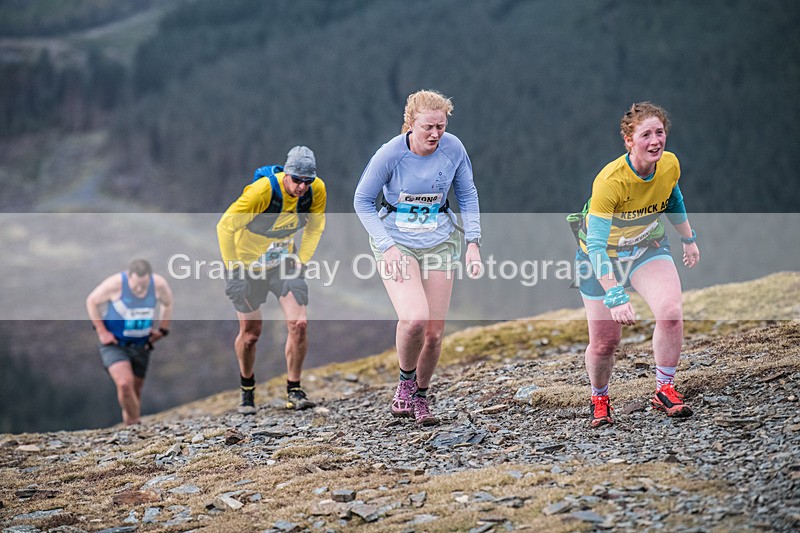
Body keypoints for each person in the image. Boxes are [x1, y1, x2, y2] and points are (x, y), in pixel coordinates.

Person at [353, 89, 482, 426]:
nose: (435, 134)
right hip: (397, 241)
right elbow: (362, 200)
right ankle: (405, 384)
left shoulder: (453, 149)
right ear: (410, 124)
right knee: (414, 320)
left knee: (435, 333)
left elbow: (467, 194)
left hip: (440, 241)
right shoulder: (389, 155)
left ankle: (421, 397)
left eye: (441, 126)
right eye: (428, 127)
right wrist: (387, 246)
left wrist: (473, 242)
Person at [572, 102, 700, 428]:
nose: (655, 141)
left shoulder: (669, 164)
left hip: (646, 248)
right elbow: (597, 245)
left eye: (660, 132)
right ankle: (599, 398)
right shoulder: (610, 182)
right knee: (605, 343)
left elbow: (673, 198)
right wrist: (614, 293)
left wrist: (688, 239)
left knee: (670, 312)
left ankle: (664, 389)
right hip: (600, 257)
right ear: (629, 141)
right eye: (646, 135)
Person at [217, 145, 326, 414]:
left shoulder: (316, 190)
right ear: (286, 174)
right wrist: (233, 271)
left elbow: (316, 225)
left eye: (307, 181)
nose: (302, 187)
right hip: (247, 267)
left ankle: (294, 389)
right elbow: (225, 226)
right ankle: (247, 389)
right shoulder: (262, 192)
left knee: (299, 323)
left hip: (283, 264)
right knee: (251, 334)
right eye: (297, 180)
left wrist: (303, 260)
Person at [86, 259, 173, 426]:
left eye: (144, 286)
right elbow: (92, 301)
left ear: (149, 278)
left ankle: (130, 428)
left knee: (134, 392)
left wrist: (163, 329)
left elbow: (167, 303)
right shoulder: (115, 284)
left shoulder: (159, 284)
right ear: (129, 277)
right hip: (115, 345)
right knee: (125, 384)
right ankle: (135, 424)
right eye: (136, 287)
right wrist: (102, 331)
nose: (140, 290)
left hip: (142, 345)